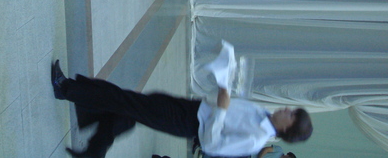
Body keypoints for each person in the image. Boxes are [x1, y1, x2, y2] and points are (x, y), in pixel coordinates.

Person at [51, 60, 313, 158]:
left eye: (291, 115)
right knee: (128, 111)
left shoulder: (256, 139)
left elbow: (211, 146)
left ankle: (66, 89)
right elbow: (224, 104)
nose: (286, 109)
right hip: (192, 109)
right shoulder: (262, 113)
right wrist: (223, 85)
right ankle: (95, 151)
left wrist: (221, 110)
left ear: (287, 128)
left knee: (125, 102)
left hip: (187, 123)